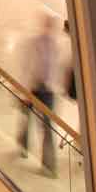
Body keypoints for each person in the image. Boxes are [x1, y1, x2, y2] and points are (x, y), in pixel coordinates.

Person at [20, 15, 62, 176]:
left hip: (47, 90)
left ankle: (49, 163)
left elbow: (57, 69)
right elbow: (26, 66)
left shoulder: (56, 46)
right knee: (26, 119)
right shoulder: (33, 43)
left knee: (47, 126)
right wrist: (23, 89)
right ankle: (23, 144)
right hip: (32, 88)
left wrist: (55, 85)